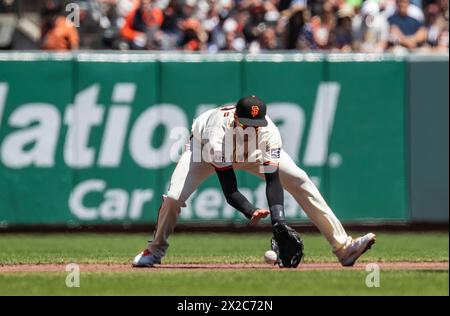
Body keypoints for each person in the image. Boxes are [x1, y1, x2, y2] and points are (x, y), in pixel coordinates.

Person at [133, 96, 376, 268]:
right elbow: (230, 190)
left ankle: (344, 248)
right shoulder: (219, 137)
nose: (254, 128)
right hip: (202, 150)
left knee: (300, 179)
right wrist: (249, 210)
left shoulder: (269, 132)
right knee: (175, 197)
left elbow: (273, 180)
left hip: (253, 153)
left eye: (257, 124)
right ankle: (154, 250)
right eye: (248, 124)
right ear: (236, 120)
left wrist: (278, 221)